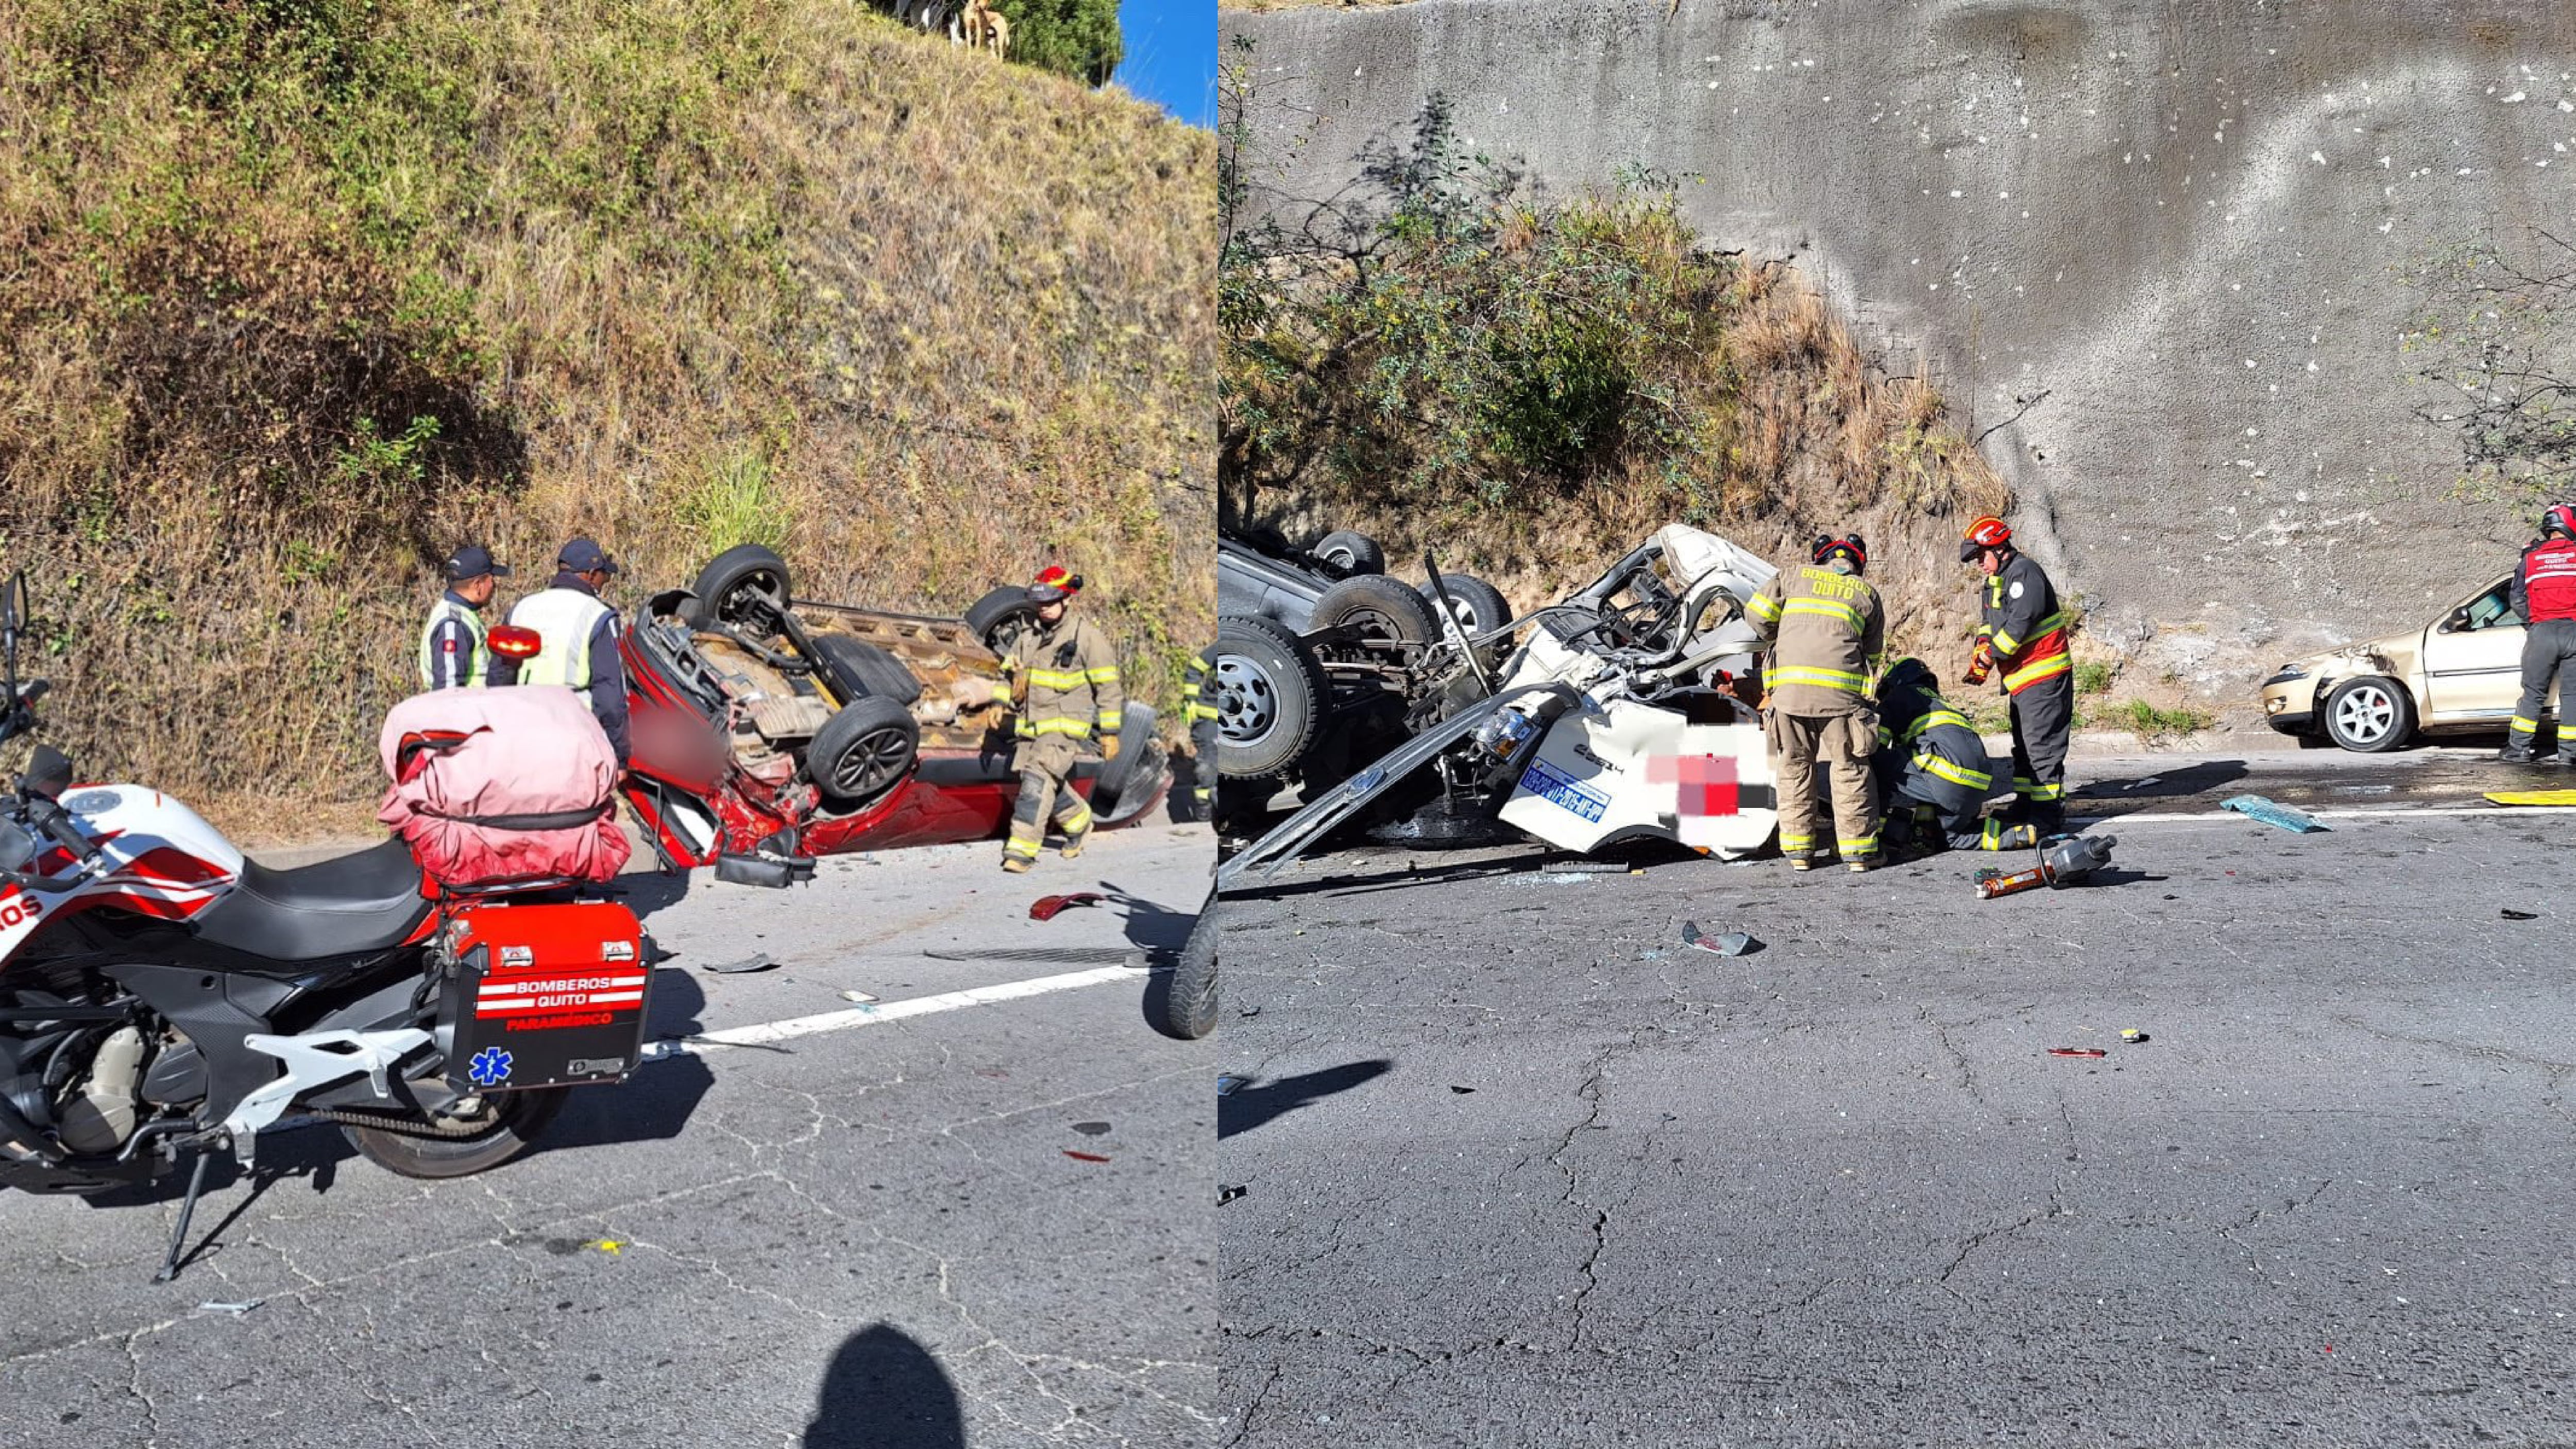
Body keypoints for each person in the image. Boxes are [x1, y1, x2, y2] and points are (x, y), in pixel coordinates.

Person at [1745, 533, 1886, 873]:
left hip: (1790, 694)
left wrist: (1784, 632)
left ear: (1818, 558)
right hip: (1841, 698)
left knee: (1793, 766)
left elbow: (1756, 616)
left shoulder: (1792, 576)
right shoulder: (1866, 593)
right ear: (1858, 563)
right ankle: (1858, 855)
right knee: (1849, 766)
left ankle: (1799, 854)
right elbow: (1873, 652)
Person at [996, 566, 1123, 872]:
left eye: (1051, 602)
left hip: (1065, 728)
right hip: (1030, 729)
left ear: (1067, 599)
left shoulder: (1088, 639)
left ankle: (1021, 852)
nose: (1045, 608)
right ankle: (1079, 822)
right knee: (1047, 785)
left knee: (1036, 783)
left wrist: (1110, 732)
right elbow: (1008, 675)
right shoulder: (1027, 638)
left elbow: (1108, 688)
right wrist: (999, 703)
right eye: (1040, 603)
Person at [1960, 515, 2074, 834]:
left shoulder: (2025, 573)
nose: (1980, 564)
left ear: (2000, 549)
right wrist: (1980, 650)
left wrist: (1992, 653)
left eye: (1982, 556)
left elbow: (2019, 625)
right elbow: (1990, 625)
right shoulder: (1995, 581)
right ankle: (2026, 804)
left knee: (2042, 748)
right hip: (2022, 679)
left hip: (2043, 675)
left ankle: (2048, 815)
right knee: (2023, 746)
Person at [1872, 656, 2039, 855]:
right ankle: (2013, 835)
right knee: (1948, 835)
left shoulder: (1899, 696)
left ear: (1894, 683)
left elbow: (1874, 746)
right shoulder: (1941, 703)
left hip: (1948, 782)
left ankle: (1874, 830)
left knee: (1875, 762)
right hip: (1977, 786)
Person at [507, 537, 630, 765]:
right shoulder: (598, 616)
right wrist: (619, 756)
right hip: (574, 739)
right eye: (605, 575)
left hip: (522, 736)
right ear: (592, 575)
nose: (606, 582)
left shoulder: (522, 609)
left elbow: (500, 677)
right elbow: (610, 694)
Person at [2502, 503, 2576, 764]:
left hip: (2542, 631)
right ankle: (2569, 754)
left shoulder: (2531, 558)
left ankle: (2518, 750)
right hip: (2574, 631)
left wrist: (2533, 622)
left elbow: (2517, 598)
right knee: (2573, 695)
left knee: (2533, 693)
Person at [418, 544, 513, 690]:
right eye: (492, 580)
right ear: (478, 586)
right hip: (466, 711)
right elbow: (448, 689)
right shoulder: (453, 625)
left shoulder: (459, 613)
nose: (494, 587)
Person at [1180, 642, 1221, 822]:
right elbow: (1195, 667)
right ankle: (1204, 810)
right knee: (1208, 765)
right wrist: (1190, 699)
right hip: (1210, 715)